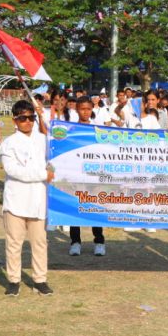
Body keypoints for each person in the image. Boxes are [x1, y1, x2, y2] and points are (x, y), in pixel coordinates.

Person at [0, 100, 54, 296]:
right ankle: (14, 280)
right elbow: (13, 170)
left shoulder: (42, 139)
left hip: (38, 200)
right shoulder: (8, 143)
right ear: (15, 120)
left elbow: (57, 141)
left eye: (31, 117)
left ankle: (40, 279)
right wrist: (42, 174)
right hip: (16, 200)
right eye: (23, 118)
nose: (27, 122)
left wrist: (43, 116)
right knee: (14, 243)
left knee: (40, 242)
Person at [67, 97, 107, 256]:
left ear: (92, 110)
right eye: (82, 109)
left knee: (94, 207)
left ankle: (99, 241)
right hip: (76, 175)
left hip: (93, 175)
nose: (85, 112)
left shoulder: (97, 130)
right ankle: (75, 241)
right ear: (76, 109)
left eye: (88, 109)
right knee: (74, 207)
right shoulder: (71, 129)